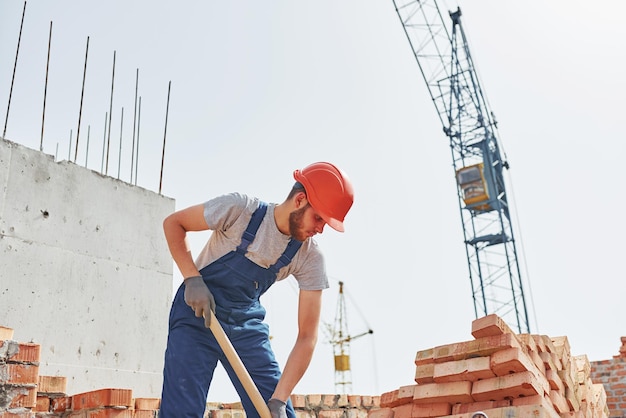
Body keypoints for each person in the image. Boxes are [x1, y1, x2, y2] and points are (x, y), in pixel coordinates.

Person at [159, 162, 355, 418]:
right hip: (197, 316)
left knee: (275, 414)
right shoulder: (240, 210)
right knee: (180, 412)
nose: (320, 229)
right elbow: (174, 223)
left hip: (245, 327)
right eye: (318, 217)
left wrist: (279, 399)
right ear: (300, 200)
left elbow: (307, 336)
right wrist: (192, 279)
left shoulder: (310, 257)